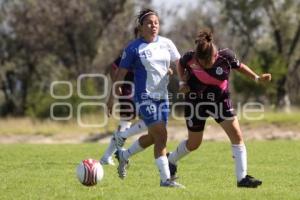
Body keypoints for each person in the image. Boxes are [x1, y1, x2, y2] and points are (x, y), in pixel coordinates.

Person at [167, 28, 271, 188]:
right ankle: (171, 160)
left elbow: (240, 66)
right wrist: (182, 82)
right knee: (194, 143)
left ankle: (242, 179)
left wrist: (257, 78)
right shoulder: (190, 57)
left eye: (206, 62)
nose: (203, 65)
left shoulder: (225, 56)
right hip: (196, 102)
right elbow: (180, 65)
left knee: (237, 136)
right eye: (200, 63)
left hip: (220, 101)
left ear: (214, 56)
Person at [107, 8, 184, 188]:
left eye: (156, 23)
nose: (153, 26)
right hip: (144, 97)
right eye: (149, 23)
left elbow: (180, 64)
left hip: (163, 97)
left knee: (154, 137)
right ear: (140, 27)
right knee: (162, 135)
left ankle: (123, 155)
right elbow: (120, 75)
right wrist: (111, 98)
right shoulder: (133, 48)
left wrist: (181, 79)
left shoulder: (167, 43)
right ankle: (165, 180)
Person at [100, 50, 147, 165]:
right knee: (129, 122)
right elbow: (113, 67)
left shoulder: (152, 49)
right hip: (128, 90)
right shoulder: (132, 49)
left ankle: (108, 155)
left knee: (129, 124)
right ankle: (111, 154)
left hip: (141, 90)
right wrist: (117, 85)